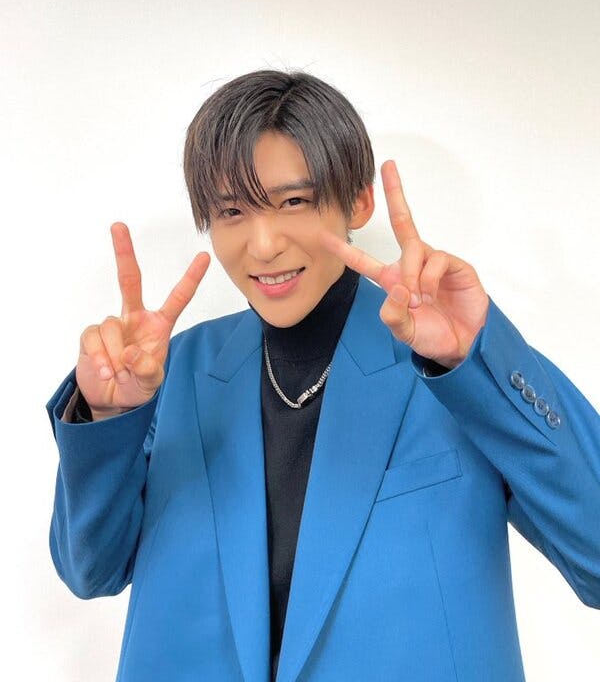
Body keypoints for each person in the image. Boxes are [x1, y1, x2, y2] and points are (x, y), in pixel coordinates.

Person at [45, 69, 600, 682]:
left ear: (357, 201)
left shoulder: (452, 362)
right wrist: (109, 418)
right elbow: (90, 572)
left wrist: (482, 358)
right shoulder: (175, 371)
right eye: (232, 210)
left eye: (293, 202)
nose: (263, 244)